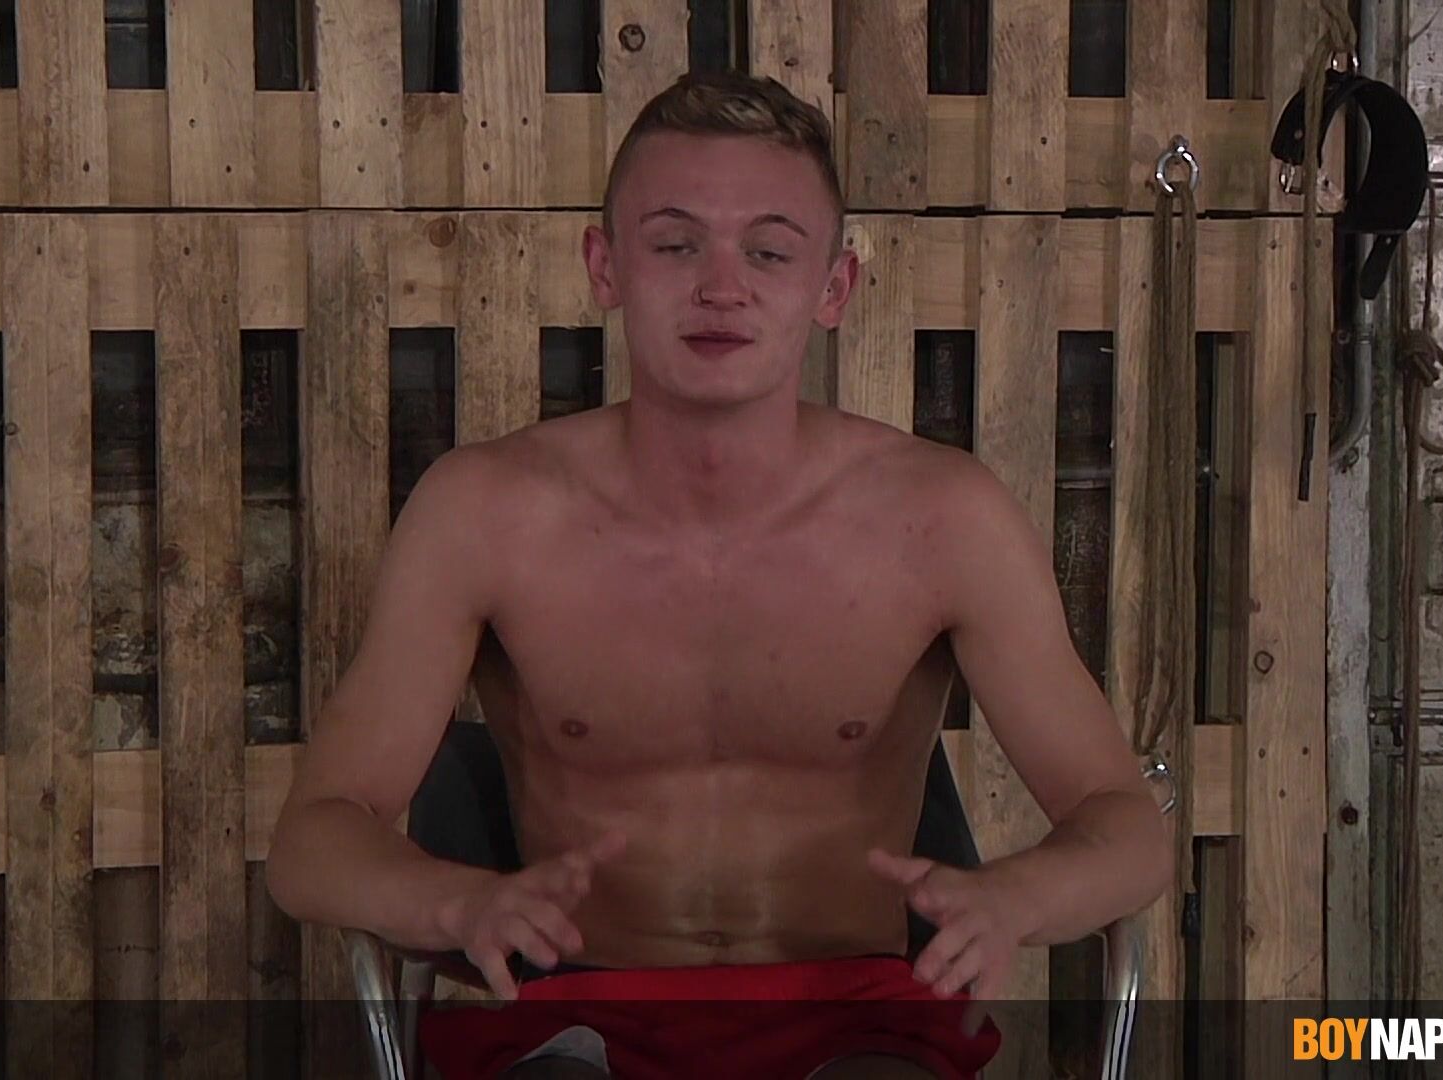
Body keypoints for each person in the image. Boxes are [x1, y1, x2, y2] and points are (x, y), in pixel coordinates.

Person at [265, 70, 1174, 1080]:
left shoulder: (945, 519)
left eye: (770, 251)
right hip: (578, 1021)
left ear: (833, 288)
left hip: (862, 1024)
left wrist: (1015, 899)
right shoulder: (484, 513)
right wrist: (458, 903)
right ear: (606, 266)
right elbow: (313, 839)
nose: (721, 286)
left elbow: (1125, 824)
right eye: (675, 244)